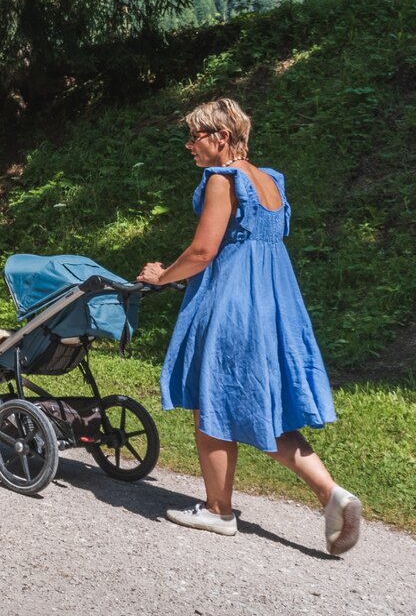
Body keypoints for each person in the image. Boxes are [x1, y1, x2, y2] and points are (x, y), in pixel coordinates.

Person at [137, 98, 361, 555]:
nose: (190, 147)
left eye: (195, 138)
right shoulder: (270, 180)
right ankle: (332, 493)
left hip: (231, 304)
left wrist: (161, 276)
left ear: (220, 137)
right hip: (275, 304)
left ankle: (218, 510)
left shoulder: (223, 179)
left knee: (212, 398)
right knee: (266, 403)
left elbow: (203, 251)